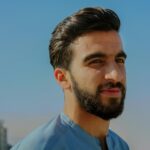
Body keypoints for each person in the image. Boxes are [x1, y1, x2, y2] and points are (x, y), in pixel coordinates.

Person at [11, 7, 129, 150]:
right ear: (63, 78)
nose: (116, 75)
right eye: (96, 61)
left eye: (120, 60)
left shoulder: (121, 146)